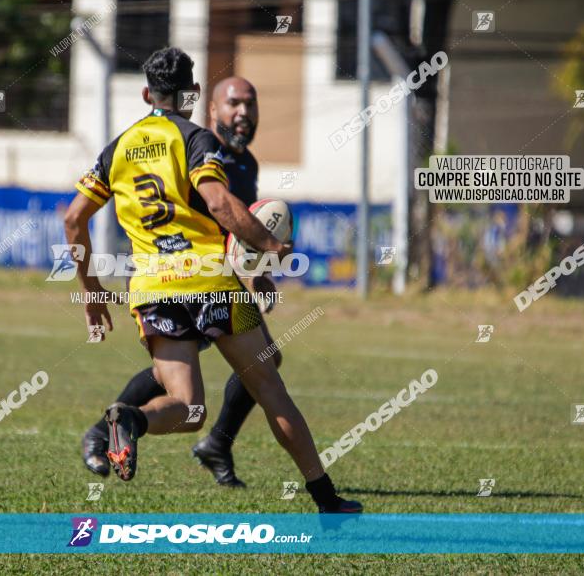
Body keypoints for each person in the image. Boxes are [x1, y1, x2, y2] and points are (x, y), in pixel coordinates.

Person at [63, 47, 361, 513]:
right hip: (210, 281)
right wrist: (269, 245)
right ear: (194, 93)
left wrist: (91, 292)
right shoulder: (197, 139)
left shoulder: (116, 149)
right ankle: (326, 498)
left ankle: (132, 421)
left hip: (152, 287)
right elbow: (220, 204)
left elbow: (73, 220)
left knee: (188, 407)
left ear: (146, 93)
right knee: (268, 385)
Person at [81, 76, 281, 488]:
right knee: (201, 372)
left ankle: (130, 432)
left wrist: (256, 272)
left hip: (213, 279)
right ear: (212, 110)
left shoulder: (246, 163)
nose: (243, 113)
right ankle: (111, 431)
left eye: (251, 103)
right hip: (178, 278)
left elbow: (233, 228)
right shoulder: (194, 146)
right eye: (233, 104)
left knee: (240, 363)